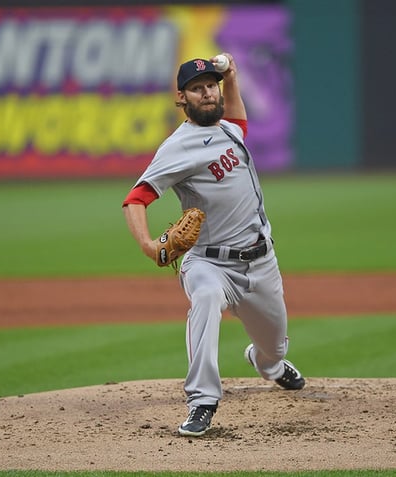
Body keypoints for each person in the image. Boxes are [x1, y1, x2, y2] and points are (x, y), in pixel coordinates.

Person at [122, 53, 305, 437]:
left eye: (211, 86)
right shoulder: (178, 147)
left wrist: (233, 77)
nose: (207, 93)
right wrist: (148, 245)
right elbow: (136, 198)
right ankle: (202, 401)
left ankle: (267, 365)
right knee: (204, 299)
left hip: (261, 262)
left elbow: (238, 120)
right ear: (181, 98)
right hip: (209, 263)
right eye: (197, 89)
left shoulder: (228, 129)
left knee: (275, 349)